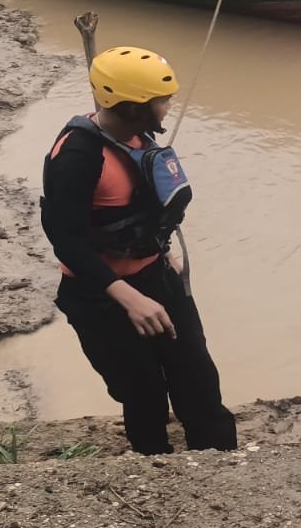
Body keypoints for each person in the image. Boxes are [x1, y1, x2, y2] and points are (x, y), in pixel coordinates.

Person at [40, 46, 237, 455]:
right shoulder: (78, 156)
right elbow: (67, 239)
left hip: (156, 276)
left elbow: (145, 207)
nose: (167, 108)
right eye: (160, 101)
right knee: (143, 392)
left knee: (197, 379)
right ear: (130, 107)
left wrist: (162, 253)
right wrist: (128, 297)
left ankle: (221, 464)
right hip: (100, 296)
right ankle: (154, 470)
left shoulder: (137, 136)